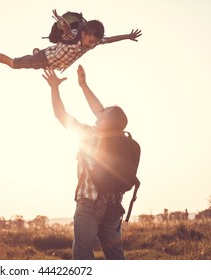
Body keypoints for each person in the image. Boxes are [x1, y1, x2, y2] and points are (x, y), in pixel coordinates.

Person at [42, 65, 128, 260]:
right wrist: (83, 85)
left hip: (90, 204)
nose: (99, 114)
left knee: (82, 255)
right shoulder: (122, 140)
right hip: (114, 206)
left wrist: (54, 87)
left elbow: (60, 115)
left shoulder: (90, 135)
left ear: (105, 122)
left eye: (103, 115)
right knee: (115, 256)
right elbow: (103, 112)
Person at [0, 9, 142, 73]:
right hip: (45, 59)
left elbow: (110, 40)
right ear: (83, 33)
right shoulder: (75, 35)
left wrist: (127, 36)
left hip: (52, 62)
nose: (91, 46)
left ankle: (37, 52)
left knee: (41, 62)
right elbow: (68, 31)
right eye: (90, 41)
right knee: (13, 64)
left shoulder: (94, 42)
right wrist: (62, 21)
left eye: (94, 43)